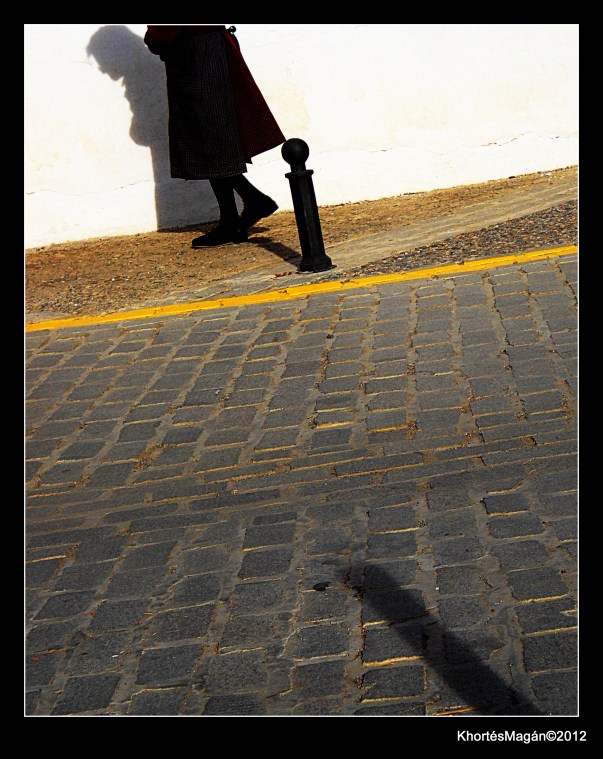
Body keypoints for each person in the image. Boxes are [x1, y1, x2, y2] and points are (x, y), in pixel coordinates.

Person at [144, 24, 286, 248]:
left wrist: (154, 39)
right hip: (204, 52)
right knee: (211, 136)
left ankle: (247, 207)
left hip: (200, 56)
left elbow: (165, 32)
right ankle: (238, 214)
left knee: (210, 137)